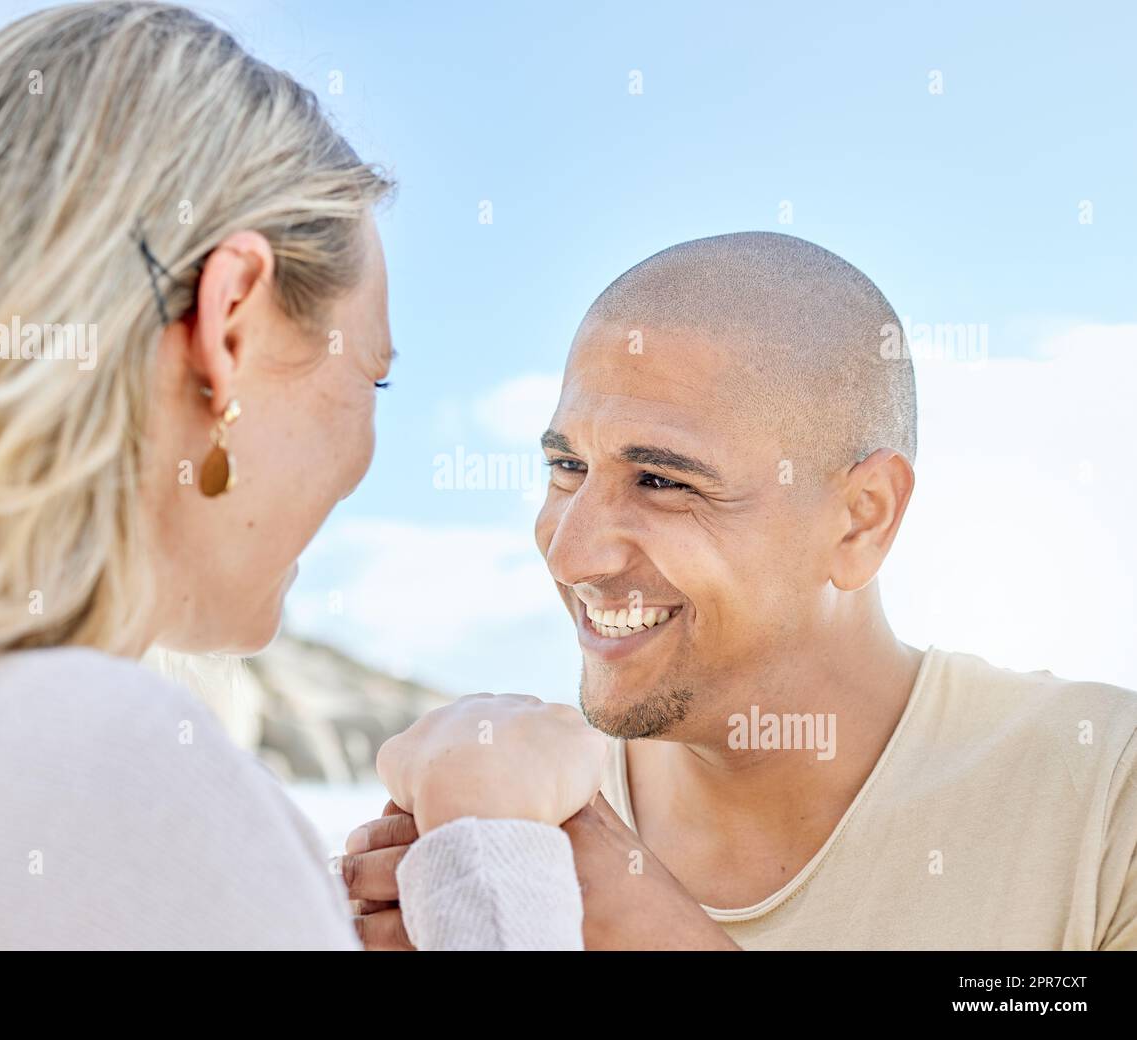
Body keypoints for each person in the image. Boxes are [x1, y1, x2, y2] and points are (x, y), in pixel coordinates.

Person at [0, 1, 606, 951]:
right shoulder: (109, 768)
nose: (369, 456)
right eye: (373, 375)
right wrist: (495, 843)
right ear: (229, 323)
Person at [348, 232, 1137, 950]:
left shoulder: (1105, 795)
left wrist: (660, 935)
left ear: (862, 519)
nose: (571, 555)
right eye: (567, 469)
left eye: (661, 481)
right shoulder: (489, 854)